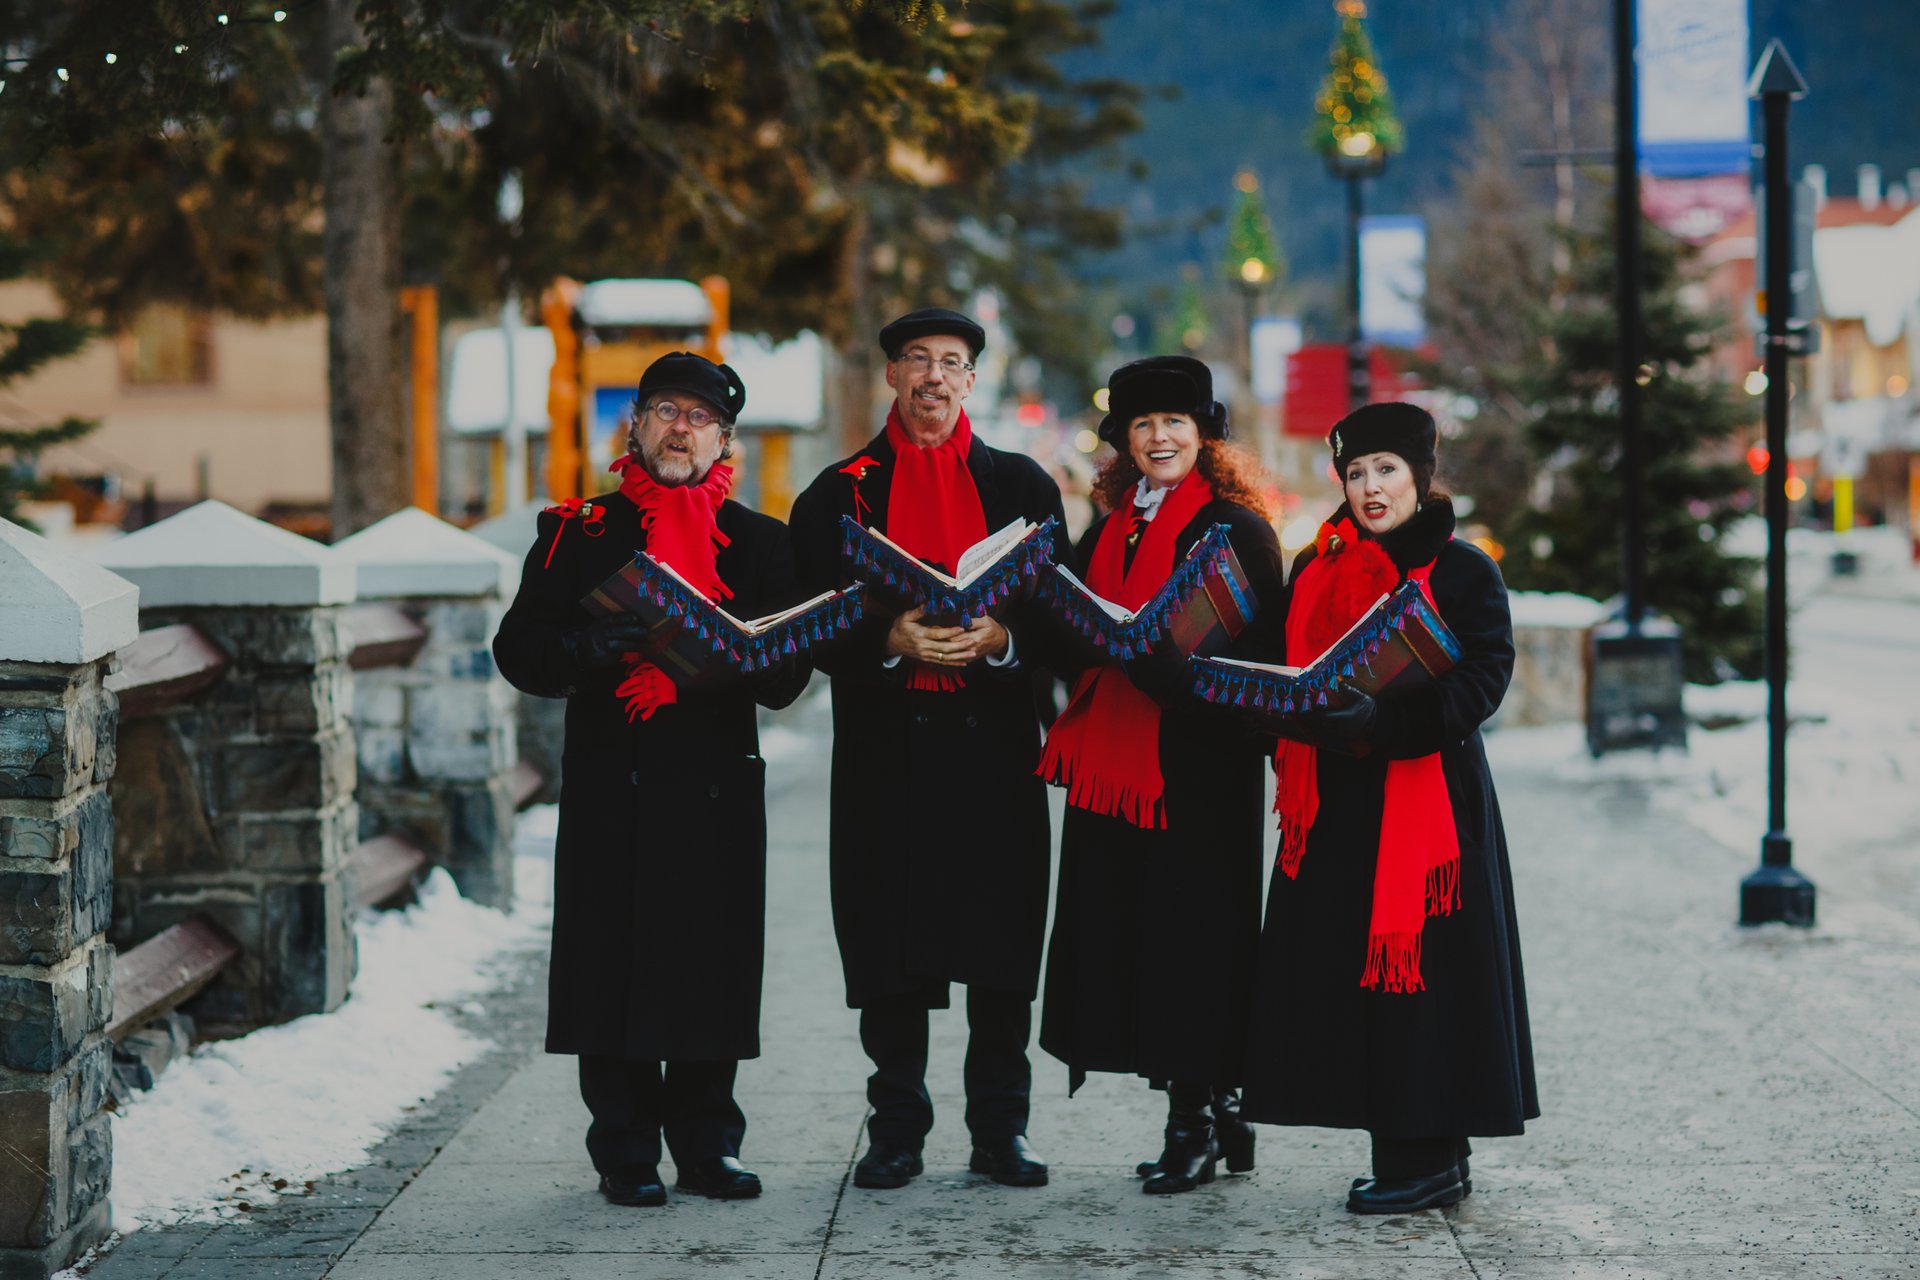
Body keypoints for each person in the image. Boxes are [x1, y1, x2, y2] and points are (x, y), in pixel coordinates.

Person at [492, 352, 809, 1208]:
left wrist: (729, 657)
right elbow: (516, 648)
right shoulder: (577, 531)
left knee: (712, 962)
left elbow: (787, 679)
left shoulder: (761, 543)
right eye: (666, 410)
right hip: (612, 784)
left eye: (700, 417)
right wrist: (579, 653)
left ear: (724, 439)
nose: (681, 428)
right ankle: (624, 1147)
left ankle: (709, 1145)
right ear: (634, 423)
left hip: (715, 787)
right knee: (613, 961)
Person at [787, 307, 1068, 1190]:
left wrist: (1005, 643)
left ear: (972, 380)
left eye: (953, 362)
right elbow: (801, 627)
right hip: (885, 750)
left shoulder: (1025, 487)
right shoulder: (837, 496)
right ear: (893, 377)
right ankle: (897, 1127)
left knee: (1001, 944)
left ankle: (1000, 1130)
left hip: (994, 750)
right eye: (918, 360)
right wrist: (885, 642)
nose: (935, 378)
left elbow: (1063, 621)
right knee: (887, 948)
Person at [1240, 402, 1538, 1214]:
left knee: (1428, 977)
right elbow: (1285, 665)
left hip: (1429, 802)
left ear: (1420, 477)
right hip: (1336, 803)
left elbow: (1485, 675)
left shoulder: (1461, 569)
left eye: (1387, 471)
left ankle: (1426, 1158)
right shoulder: (1317, 563)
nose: (1370, 488)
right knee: (1364, 980)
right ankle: (1417, 1147)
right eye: (1357, 472)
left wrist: (1387, 721)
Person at [1034, 356, 1286, 1194]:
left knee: (1195, 947)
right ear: (1125, 443)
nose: (1160, 437)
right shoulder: (1110, 524)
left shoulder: (1238, 529)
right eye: (1143, 425)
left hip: (1197, 768)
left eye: (1176, 422)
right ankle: (1218, 1112)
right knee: (1139, 940)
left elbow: (1262, 658)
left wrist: (1173, 669)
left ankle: (1198, 1122)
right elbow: (1069, 616)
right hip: (1116, 763)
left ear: (1204, 433)